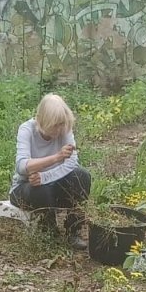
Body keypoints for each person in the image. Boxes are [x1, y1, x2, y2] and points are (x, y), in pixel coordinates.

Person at [11, 93, 92, 248]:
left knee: (82, 176)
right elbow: (22, 167)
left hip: (52, 184)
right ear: (44, 121)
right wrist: (56, 158)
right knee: (39, 189)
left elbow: (72, 162)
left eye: (62, 124)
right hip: (25, 188)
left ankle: (73, 231)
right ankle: (49, 232)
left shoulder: (64, 129)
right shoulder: (26, 130)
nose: (59, 129)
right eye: (56, 125)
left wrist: (44, 176)